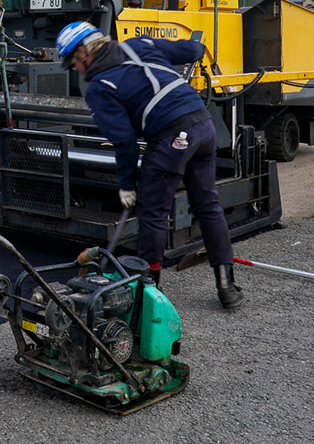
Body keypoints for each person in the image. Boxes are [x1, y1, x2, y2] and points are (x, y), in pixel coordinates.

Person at [56, 21, 244, 310]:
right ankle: (226, 285)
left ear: (85, 51)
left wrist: (127, 185)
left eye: (73, 62)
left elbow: (125, 141)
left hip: (171, 137)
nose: (76, 70)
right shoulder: (138, 45)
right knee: (208, 205)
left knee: (152, 212)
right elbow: (194, 49)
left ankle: (147, 293)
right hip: (203, 126)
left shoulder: (99, 87)